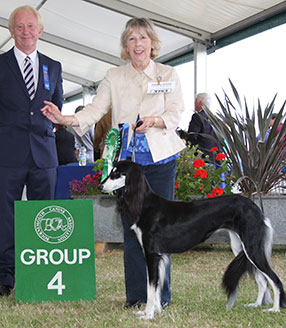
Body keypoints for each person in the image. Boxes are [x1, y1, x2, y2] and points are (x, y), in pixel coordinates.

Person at [41, 17, 185, 309]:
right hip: (127, 165)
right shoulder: (113, 76)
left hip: (161, 159)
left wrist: (155, 121)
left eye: (143, 38)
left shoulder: (168, 73)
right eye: (131, 39)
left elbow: (175, 112)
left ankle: (161, 297)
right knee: (133, 229)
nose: (137, 44)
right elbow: (96, 109)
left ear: (152, 43)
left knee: (158, 231)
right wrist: (66, 119)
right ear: (125, 46)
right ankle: (135, 297)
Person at [0, 5, 63, 296]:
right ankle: (6, 277)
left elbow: (58, 107)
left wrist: (56, 115)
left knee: (44, 217)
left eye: (31, 26)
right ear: (11, 31)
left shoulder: (54, 66)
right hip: (7, 154)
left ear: (40, 31)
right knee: (5, 217)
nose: (26, 32)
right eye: (20, 27)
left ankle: (41, 276)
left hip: (44, 154)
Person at [186, 93, 220, 162]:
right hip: (215, 156)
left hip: (202, 156)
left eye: (195, 102)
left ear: (200, 103)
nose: (194, 104)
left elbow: (192, 136)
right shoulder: (215, 118)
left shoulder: (197, 117)